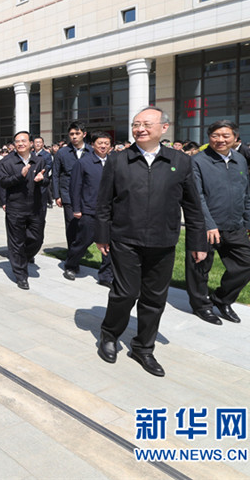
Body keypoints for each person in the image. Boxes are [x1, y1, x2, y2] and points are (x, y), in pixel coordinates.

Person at [95, 107, 207, 377]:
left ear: (164, 127)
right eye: (136, 124)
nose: (140, 129)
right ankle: (109, 335)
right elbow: (103, 202)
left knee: (155, 298)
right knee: (125, 293)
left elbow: (193, 206)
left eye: (146, 124)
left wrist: (198, 242)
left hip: (163, 240)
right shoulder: (118, 160)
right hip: (125, 239)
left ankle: (143, 347)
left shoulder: (180, 161)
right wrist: (102, 235)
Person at [185, 121, 250, 325]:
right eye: (215, 135)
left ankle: (222, 299)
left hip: (234, 225)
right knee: (199, 269)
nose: (220, 140)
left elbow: (245, 193)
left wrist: (249, 220)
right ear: (209, 137)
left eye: (226, 136)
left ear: (235, 138)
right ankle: (201, 306)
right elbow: (196, 197)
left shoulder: (240, 160)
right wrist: (209, 224)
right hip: (205, 226)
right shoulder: (197, 161)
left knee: (248, 264)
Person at [0, 131, 49, 290]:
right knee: (16, 243)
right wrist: (20, 176)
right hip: (16, 208)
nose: (20, 144)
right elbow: (3, 182)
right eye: (17, 141)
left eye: (23, 141)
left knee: (37, 239)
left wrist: (42, 180)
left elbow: (47, 180)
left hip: (36, 208)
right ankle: (21, 275)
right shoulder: (6, 162)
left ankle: (23, 257)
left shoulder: (39, 161)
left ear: (31, 143)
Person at [63, 132, 114, 287]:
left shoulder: (114, 162)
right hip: (89, 210)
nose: (103, 146)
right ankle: (71, 265)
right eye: (100, 143)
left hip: (110, 212)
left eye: (106, 143)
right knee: (82, 241)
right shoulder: (83, 163)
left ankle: (106, 276)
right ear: (92, 145)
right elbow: (75, 187)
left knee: (110, 244)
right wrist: (76, 208)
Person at [53, 121, 91, 252]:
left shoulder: (92, 151)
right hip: (67, 194)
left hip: (88, 195)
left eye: (77, 133)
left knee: (86, 225)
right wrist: (57, 195)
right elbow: (56, 175)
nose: (74, 136)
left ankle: (81, 249)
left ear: (84, 134)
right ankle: (72, 253)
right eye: (71, 134)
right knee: (71, 224)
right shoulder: (62, 153)